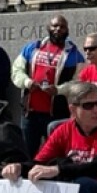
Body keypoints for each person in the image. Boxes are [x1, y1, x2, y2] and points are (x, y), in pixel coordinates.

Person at [11, 14, 85, 156]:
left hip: (56, 114)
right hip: (30, 113)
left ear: (67, 30)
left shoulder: (75, 55)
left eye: (62, 27)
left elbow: (78, 82)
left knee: (54, 155)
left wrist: (58, 90)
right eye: (55, 26)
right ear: (48, 28)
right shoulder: (32, 48)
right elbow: (16, 71)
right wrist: (27, 82)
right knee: (26, 154)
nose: (58, 29)